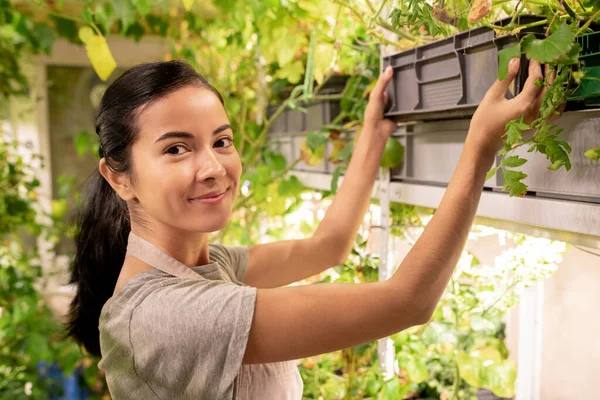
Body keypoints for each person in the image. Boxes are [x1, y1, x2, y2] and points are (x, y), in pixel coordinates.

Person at [66, 58, 550, 399]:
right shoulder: (164, 314)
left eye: (221, 140)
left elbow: (329, 245)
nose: (213, 166)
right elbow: (408, 301)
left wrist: (372, 135)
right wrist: (481, 145)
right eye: (176, 148)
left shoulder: (210, 266)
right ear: (119, 176)